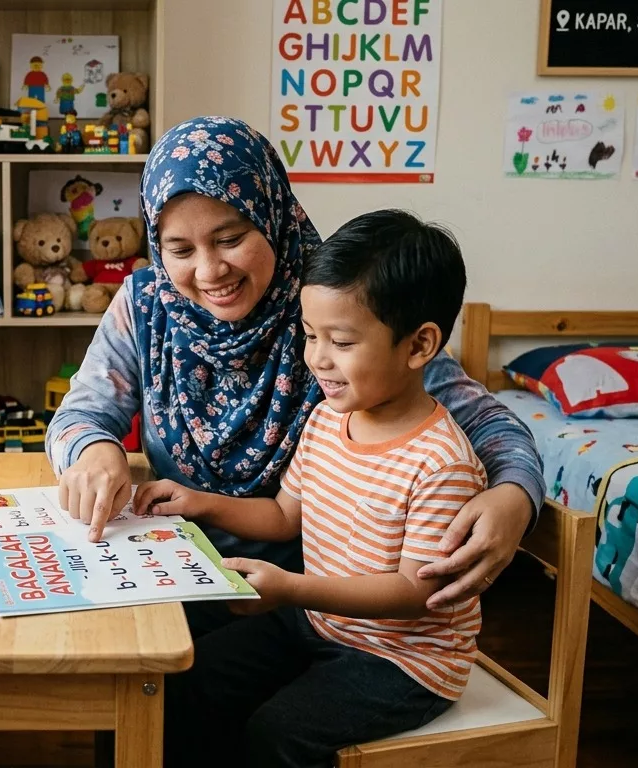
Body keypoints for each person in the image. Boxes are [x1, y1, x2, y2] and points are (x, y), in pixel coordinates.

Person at [46, 117, 543, 628]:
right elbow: (81, 413)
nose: (209, 270)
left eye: (230, 238)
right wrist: (94, 451)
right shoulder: (146, 304)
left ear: (272, 215)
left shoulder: (336, 306)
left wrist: (515, 497)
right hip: (166, 566)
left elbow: (489, 427)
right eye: (179, 250)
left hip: (307, 603)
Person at [148, 209, 484, 766]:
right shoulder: (329, 418)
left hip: (402, 661)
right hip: (320, 623)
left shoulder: (441, 463)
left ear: (420, 345)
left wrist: (291, 589)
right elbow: (284, 517)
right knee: (188, 678)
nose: (317, 359)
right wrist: (201, 504)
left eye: (342, 341)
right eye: (309, 335)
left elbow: (413, 594)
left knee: (278, 734)